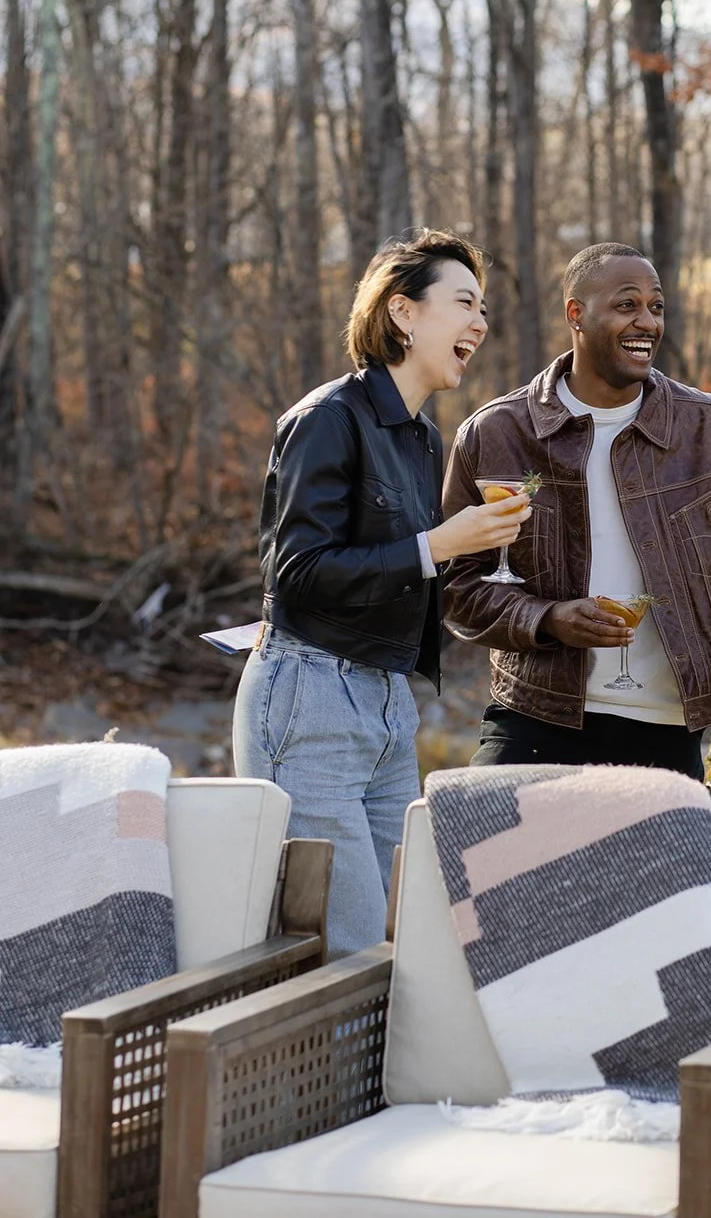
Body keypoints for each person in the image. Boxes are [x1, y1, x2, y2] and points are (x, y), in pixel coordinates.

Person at [442, 241, 711, 778]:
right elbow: (458, 586)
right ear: (576, 314)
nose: (646, 321)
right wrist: (549, 618)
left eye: (656, 306)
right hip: (535, 713)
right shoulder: (498, 433)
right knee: (479, 850)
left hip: (667, 729)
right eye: (627, 305)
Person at [233, 230, 530, 955]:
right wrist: (438, 545)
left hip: (388, 705)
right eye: (463, 303)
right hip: (312, 697)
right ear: (402, 312)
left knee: (403, 940)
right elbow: (296, 573)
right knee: (350, 944)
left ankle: (369, 1074)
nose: (480, 324)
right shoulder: (325, 420)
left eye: (483, 308)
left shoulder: (423, 438)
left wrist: (475, 555)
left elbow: (408, 569)